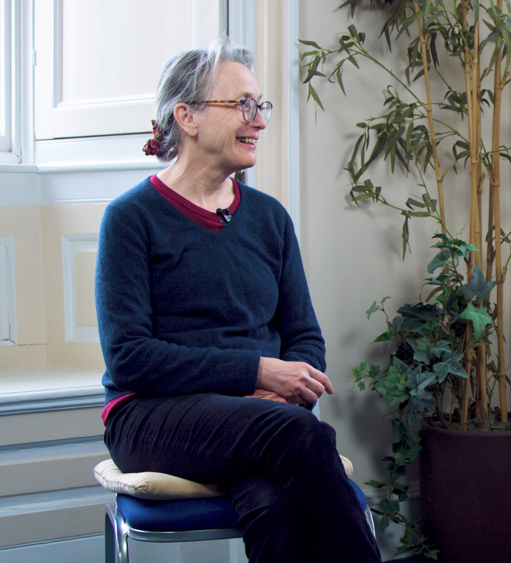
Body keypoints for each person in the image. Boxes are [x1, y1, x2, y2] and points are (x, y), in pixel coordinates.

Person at [96, 37, 380, 563]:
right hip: (150, 416)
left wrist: (285, 391)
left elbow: (303, 337)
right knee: (300, 437)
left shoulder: (269, 218)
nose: (259, 120)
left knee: (273, 503)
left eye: (260, 106)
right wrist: (257, 374)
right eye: (242, 105)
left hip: (260, 420)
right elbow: (131, 358)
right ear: (188, 117)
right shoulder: (130, 218)